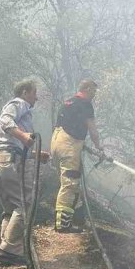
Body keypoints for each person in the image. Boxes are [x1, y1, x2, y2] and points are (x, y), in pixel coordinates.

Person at [0, 78, 50, 266]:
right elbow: (5, 120)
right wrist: (24, 136)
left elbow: (14, 144)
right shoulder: (19, 103)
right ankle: (10, 251)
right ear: (24, 92)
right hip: (9, 160)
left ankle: (7, 249)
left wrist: (35, 155)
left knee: (10, 208)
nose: (36, 98)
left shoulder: (22, 111)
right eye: (34, 93)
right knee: (26, 204)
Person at [50, 79, 104, 233]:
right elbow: (92, 130)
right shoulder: (86, 104)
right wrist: (99, 147)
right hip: (69, 146)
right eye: (93, 91)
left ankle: (78, 219)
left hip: (56, 142)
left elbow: (68, 125)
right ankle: (62, 224)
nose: (94, 94)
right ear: (86, 89)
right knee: (70, 183)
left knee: (71, 182)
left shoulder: (68, 102)